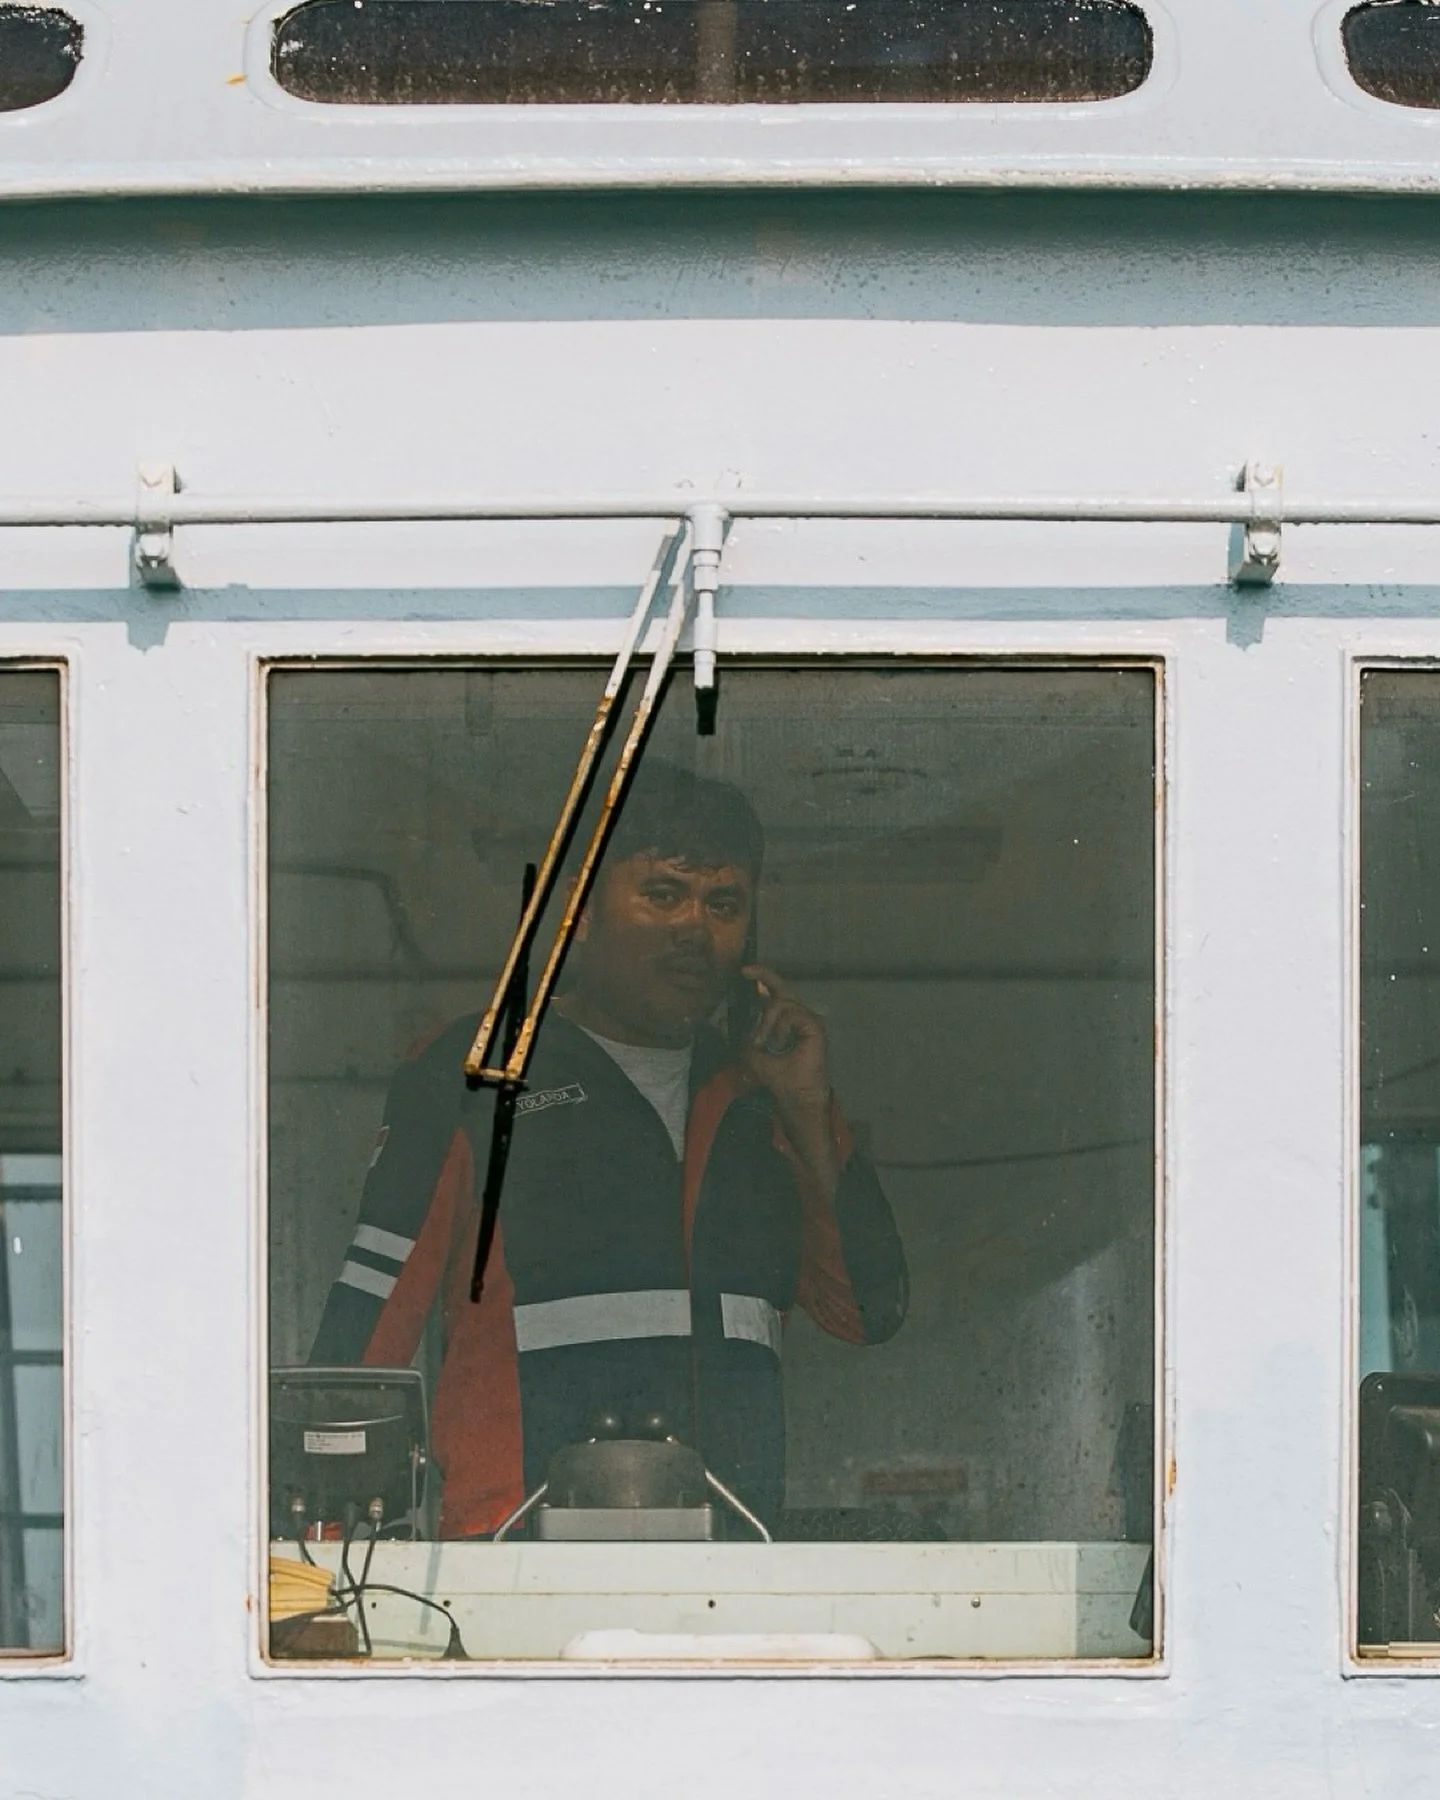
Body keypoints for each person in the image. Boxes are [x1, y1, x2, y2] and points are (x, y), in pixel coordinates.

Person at [309, 762, 907, 1536]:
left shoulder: (756, 1094)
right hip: (517, 1558)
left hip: (731, 1562)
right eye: (662, 893)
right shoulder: (479, 1071)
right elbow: (364, 1343)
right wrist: (319, 1565)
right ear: (580, 913)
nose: (694, 930)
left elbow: (867, 1311)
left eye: (723, 904)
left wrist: (805, 1107)